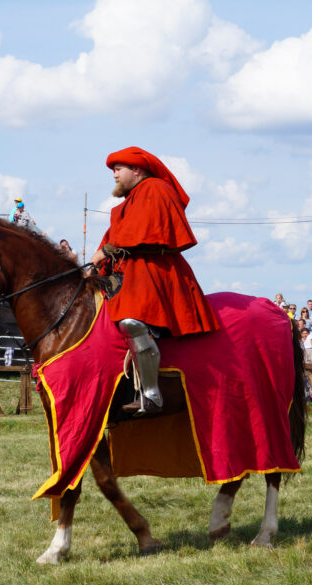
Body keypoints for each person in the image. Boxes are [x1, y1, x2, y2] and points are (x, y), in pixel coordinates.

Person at [90, 146, 219, 415]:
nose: (113, 174)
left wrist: (108, 250)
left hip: (156, 271)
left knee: (131, 321)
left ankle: (151, 395)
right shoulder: (133, 198)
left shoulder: (155, 189)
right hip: (132, 271)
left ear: (136, 170)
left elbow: (143, 232)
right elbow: (118, 236)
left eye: (118, 168)